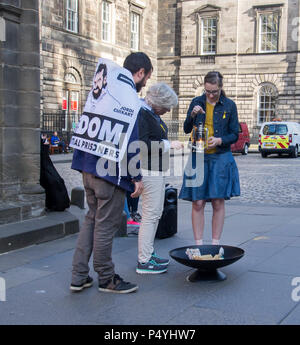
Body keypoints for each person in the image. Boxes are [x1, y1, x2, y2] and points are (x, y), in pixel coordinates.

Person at [70, 52, 153, 293]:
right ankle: (106, 278)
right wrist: (136, 177)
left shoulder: (106, 87)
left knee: (91, 219)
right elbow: (132, 141)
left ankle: (78, 276)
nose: (146, 82)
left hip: (87, 166)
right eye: (147, 77)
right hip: (109, 173)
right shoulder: (129, 97)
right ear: (140, 73)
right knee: (106, 225)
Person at [179, 71, 240, 245]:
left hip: (220, 157)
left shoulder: (229, 105)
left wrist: (220, 140)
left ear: (221, 88)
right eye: (207, 91)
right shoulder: (196, 102)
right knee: (197, 202)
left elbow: (235, 134)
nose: (211, 95)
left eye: (214, 91)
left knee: (217, 201)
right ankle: (199, 245)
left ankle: (215, 244)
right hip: (197, 157)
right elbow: (185, 129)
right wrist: (192, 115)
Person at [136, 82, 183, 274]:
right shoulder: (144, 114)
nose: (166, 111)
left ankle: (148, 253)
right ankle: (144, 260)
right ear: (157, 102)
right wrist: (168, 144)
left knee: (153, 214)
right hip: (149, 170)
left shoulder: (149, 113)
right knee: (151, 215)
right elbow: (143, 144)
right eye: (166, 107)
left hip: (154, 169)